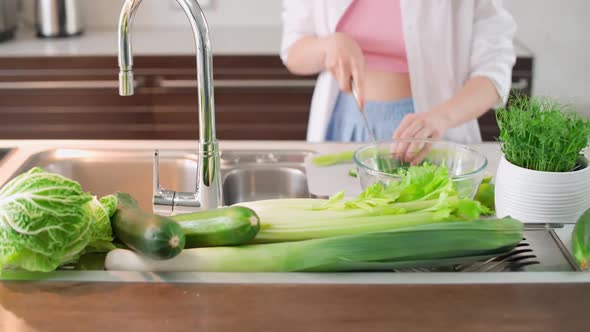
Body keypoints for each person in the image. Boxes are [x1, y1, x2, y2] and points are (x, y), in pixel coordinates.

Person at [280, 0, 516, 146]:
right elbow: (293, 51)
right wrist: (328, 46)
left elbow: (493, 70)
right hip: (345, 126)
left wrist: (441, 118)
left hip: (434, 131)